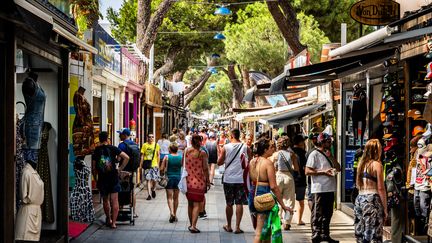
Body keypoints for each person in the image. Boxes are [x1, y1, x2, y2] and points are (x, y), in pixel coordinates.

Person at [249, 138, 293, 243]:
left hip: (253, 192)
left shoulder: (252, 161)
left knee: (265, 231)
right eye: (271, 147)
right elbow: (273, 186)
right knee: (260, 233)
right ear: (265, 150)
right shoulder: (268, 163)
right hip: (264, 194)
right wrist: (283, 205)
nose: (273, 149)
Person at [305, 133, 341, 243]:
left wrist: (331, 157)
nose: (330, 143)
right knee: (317, 212)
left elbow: (339, 168)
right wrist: (323, 172)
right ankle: (316, 234)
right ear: (322, 142)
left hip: (330, 188)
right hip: (319, 188)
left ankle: (325, 234)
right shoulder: (314, 154)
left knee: (328, 212)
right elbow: (307, 171)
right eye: (328, 142)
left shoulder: (329, 154)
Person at [92, 131, 129, 229]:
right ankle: (114, 223)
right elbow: (126, 157)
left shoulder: (96, 150)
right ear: (107, 138)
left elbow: (94, 167)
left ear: (99, 139)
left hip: (102, 178)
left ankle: (108, 218)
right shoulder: (113, 148)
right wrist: (119, 169)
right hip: (113, 177)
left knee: (105, 200)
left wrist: (95, 178)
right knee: (115, 200)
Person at [354, 139, 387, 242]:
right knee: (373, 233)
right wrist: (385, 208)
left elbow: (357, 185)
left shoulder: (361, 164)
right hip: (372, 200)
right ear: (376, 150)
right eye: (380, 149)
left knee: (361, 231)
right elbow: (381, 188)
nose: (382, 151)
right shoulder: (377, 165)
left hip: (359, 199)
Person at [217, 128, 249, 234]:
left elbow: (219, 162)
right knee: (239, 202)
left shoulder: (225, 147)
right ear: (239, 135)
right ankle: (237, 227)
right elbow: (250, 159)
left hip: (228, 178)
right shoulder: (245, 147)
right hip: (241, 179)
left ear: (231, 136)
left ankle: (229, 226)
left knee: (229, 203)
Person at [184, 134, 210, 233]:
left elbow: (183, 164)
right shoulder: (201, 153)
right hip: (199, 182)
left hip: (188, 181)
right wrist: (208, 180)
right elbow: (205, 168)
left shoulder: (186, 151)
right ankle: (193, 226)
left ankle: (191, 224)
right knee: (197, 204)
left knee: (190, 204)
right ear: (200, 141)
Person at [273, 136, 299, 230]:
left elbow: (273, 168)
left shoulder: (275, 155)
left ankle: (278, 219)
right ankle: (287, 222)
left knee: (277, 199)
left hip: (278, 176)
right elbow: (296, 169)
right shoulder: (292, 154)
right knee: (289, 200)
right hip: (289, 177)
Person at [117, 128, 139, 218]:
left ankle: (121, 209)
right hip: (133, 171)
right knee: (132, 190)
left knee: (121, 189)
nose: (119, 135)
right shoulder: (135, 144)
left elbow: (118, 159)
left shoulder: (121, 145)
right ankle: (133, 212)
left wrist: (119, 168)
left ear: (124, 135)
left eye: (120, 134)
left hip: (123, 171)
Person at [160, 143, 182, 223]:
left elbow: (162, 168)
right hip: (178, 178)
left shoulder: (167, 157)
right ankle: (175, 215)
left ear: (170, 149)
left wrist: (162, 170)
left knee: (169, 198)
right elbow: (183, 166)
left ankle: (171, 213)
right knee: (176, 198)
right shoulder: (181, 157)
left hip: (169, 178)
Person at [292, 134, 308, 225]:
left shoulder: (289, 152)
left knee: (287, 200)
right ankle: (299, 220)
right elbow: (305, 167)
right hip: (300, 179)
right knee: (300, 201)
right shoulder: (303, 153)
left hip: (290, 179)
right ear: (301, 142)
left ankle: (285, 220)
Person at [140, 134, 160, 200]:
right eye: (149, 137)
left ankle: (153, 189)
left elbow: (158, 155)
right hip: (147, 165)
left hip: (154, 164)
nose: (151, 138)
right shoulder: (144, 145)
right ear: (147, 138)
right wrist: (141, 164)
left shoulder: (156, 145)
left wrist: (158, 164)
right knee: (148, 179)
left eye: (152, 137)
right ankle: (149, 195)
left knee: (155, 180)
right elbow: (142, 155)